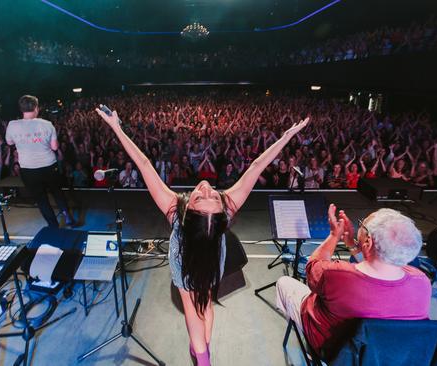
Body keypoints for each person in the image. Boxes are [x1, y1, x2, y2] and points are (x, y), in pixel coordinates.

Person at [96, 106, 309, 366]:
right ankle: (202, 351)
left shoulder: (179, 209)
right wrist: (286, 136)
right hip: (193, 266)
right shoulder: (216, 209)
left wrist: (286, 136)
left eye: (203, 196)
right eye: (209, 195)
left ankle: (200, 353)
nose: (207, 188)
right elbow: (255, 165)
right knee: (200, 309)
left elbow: (144, 164)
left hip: (205, 261)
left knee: (201, 308)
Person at [275, 205, 431, 359]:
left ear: (368, 241)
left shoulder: (338, 275)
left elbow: (312, 268)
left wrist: (334, 235)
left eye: (363, 224)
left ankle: (310, 348)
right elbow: (378, 266)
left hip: (335, 352)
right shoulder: (421, 282)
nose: (360, 226)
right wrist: (352, 244)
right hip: (388, 357)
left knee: (284, 283)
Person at [6, 95, 75, 227]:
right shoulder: (47, 124)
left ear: (21, 109)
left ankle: (53, 225)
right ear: (36, 108)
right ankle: (67, 217)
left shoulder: (12, 125)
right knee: (57, 192)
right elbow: (55, 147)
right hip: (49, 165)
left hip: (28, 168)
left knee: (41, 199)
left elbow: (9, 142)